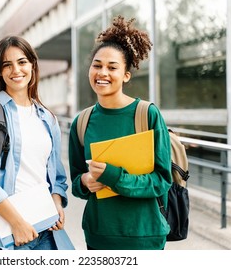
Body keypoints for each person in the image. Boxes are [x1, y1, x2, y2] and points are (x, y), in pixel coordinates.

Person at [68, 16, 172, 250]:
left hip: (144, 236)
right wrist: (84, 181)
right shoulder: (81, 122)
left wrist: (114, 177)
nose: (102, 72)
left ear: (126, 75)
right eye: (97, 65)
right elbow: (76, 181)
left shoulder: (147, 114)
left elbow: (162, 181)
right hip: (98, 237)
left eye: (112, 67)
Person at [0, 35, 69, 250]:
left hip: (48, 230)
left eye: (22, 62)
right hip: (9, 234)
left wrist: (56, 202)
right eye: (7, 65)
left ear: (32, 65)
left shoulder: (48, 118)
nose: (16, 70)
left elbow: (56, 175)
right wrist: (17, 223)